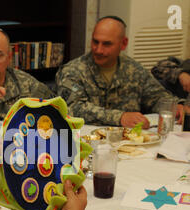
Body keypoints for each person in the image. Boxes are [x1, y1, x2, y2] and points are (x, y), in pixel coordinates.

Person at [55, 16, 184, 129]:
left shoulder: (134, 70)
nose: (98, 50)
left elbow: (156, 97)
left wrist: (175, 107)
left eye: (106, 44)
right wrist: (120, 117)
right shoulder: (72, 71)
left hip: (129, 143)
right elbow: (73, 108)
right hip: (87, 143)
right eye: (95, 42)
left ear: (123, 44)